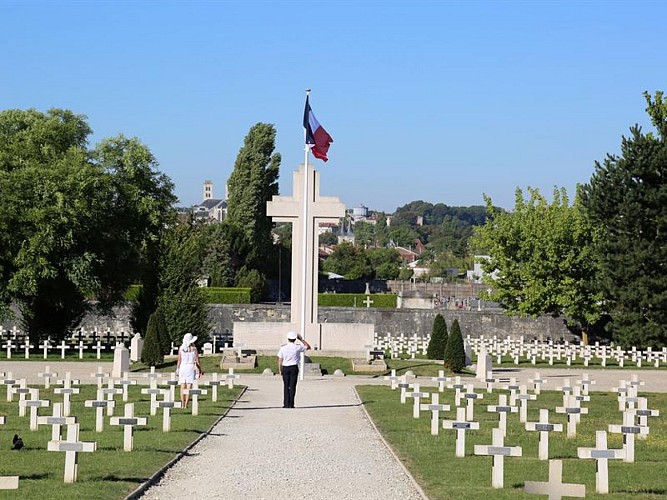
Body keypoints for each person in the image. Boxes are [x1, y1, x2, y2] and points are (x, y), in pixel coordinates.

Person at [277, 330, 311, 408]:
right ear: (295, 339)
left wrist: (280, 369)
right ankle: (291, 404)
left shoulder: (283, 348)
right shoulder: (297, 347)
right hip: (294, 367)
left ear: (288, 338)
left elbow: (280, 360)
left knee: (286, 386)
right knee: (292, 386)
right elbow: (308, 347)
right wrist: (301, 339)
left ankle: (286, 404)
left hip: (285, 367)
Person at [176, 332, 203, 409]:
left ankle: (182, 403)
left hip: (182, 367)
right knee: (188, 386)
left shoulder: (181, 348)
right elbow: (197, 361)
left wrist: (177, 369)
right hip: (190, 367)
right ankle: (186, 403)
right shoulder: (194, 349)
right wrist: (200, 370)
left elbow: (179, 360)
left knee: (182, 386)